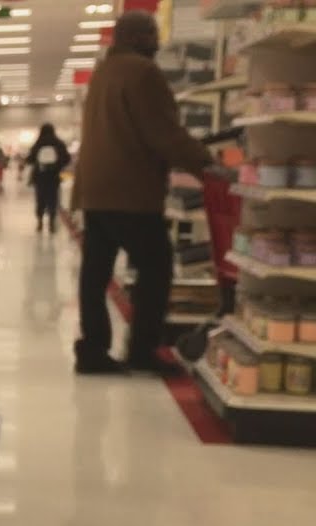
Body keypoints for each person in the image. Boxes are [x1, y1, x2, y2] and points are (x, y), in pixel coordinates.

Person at [72, 10, 216, 376]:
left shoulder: (104, 72)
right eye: (152, 33)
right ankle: (142, 350)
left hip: (96, 189)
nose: (158, 40)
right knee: (157, 267)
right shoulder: (142, 72)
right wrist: (208, 165)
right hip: (129, 190)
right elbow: (164, 133)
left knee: (95, 272)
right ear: (137, 37)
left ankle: (92, 349)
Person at [27, 124, 70, 233]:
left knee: (40, 198)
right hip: (54, 176)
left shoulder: (38, 143)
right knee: (53, 198)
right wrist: (58, 165)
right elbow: (66, 158)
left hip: (40, 177)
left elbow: (30, 159)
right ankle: (51, 222)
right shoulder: (58, 143)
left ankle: (40, 221)